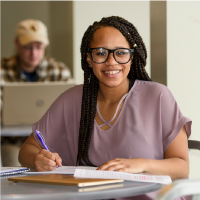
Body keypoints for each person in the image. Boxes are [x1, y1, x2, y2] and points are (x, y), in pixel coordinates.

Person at [19, 16, 191, 200]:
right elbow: (27, 150)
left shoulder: (158, 96)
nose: (111, 61)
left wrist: (139, 165)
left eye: (121, 52)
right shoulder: (71, 99)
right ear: (88, 58)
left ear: (132, 56)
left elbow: (182, 166)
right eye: (101, 53)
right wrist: (38, 159)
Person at [0, 19, 71, 166]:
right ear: (17, 44)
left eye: (39, 47)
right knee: (13, 162)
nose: (34, 53)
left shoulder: (59, 71)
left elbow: (72, 108)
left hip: (48, 142)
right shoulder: (2, 70)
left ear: (45, 46)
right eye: (28, 47)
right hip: (12, 141)